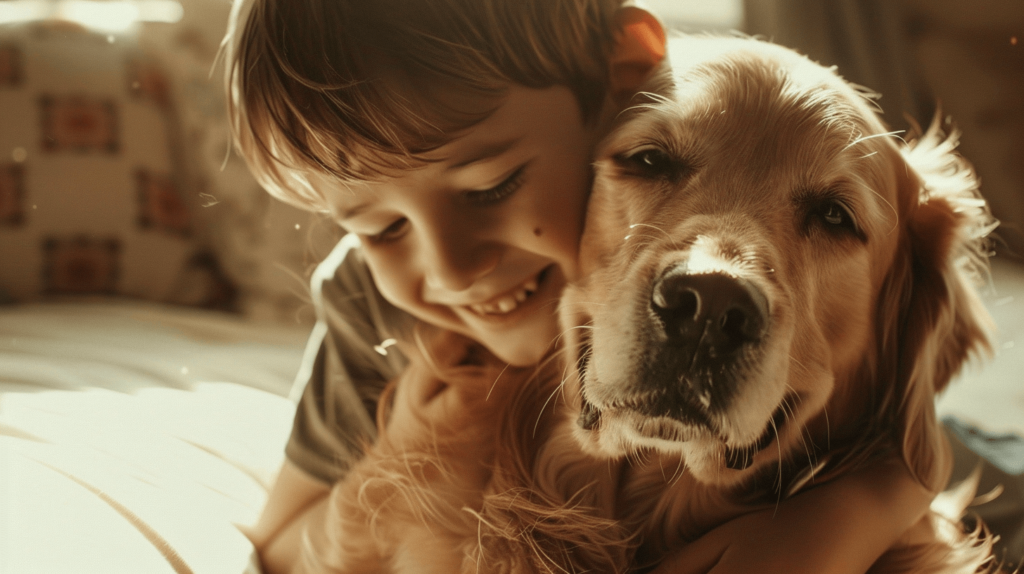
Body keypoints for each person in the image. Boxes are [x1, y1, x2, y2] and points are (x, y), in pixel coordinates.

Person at [221, 1, 941, 572]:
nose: (452, 269)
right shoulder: (383, 296)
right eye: (654, 162)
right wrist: (408, 443)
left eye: (834, 216)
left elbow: (912, 444)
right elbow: (281, 542)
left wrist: (862, 508)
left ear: (600, 101)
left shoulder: (570, 207)